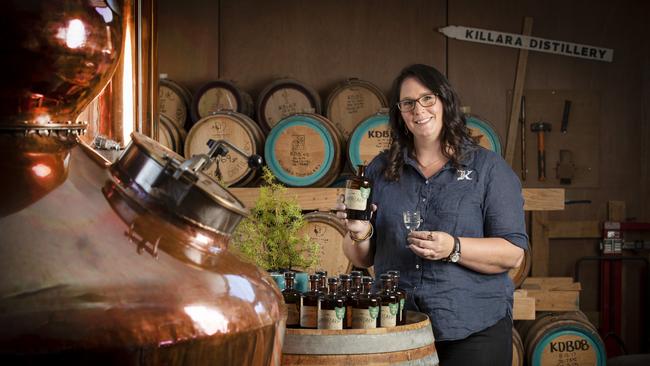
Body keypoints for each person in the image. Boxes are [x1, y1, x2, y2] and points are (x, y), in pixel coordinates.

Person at [336, 64, 528, 365]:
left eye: (427, 99)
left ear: (445, 102)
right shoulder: (380, 170)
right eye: (408, 103)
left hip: (473, 327)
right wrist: (358, 231)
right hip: (397, 324)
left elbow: (512, 253)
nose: (418, 109)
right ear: (400, 112)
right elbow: (362, 257)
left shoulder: (489, 169)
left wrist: (453, 248)